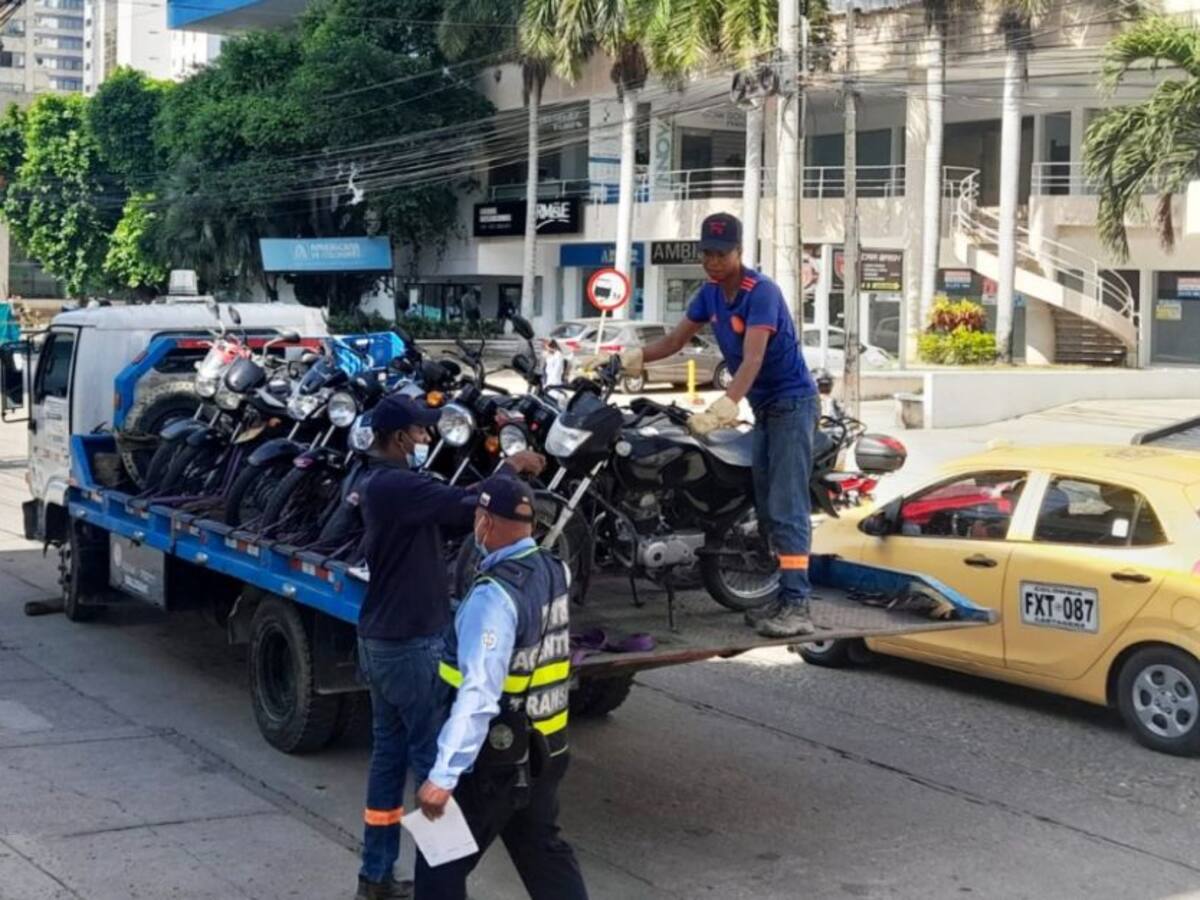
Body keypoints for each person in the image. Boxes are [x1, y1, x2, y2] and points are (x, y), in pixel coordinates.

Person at [585, 211, 818, 639]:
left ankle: (798, 605)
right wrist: (626, 359)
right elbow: (675, 341)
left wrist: (726, 404)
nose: (712, 262)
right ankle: (780, 596)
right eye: (706, 253)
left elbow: (753, 358)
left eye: (721, 253)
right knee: (766, 506)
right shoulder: (710, 293)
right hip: (766, 408)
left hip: (792, 405)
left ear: (739, 251)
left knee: (786, 508)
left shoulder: (760, 292)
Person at [353, 395, 545, 900]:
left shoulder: (378, 480)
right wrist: (509, 470)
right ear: (398, 439)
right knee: (433, 770)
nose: (425, 440)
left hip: (382, 639)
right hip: (411, 646)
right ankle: (438, 891)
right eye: (420, 433)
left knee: (389, 759)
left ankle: (375, 876)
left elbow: (453, 501)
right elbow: (471, 507)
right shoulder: (398, 485)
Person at [414, 475, 588, 900]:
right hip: (545, 749)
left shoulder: (493, 597)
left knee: (438, 859)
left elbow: (478, 693)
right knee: (544, 855)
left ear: (485, 522)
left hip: (494, 761)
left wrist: (444, 774)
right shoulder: (553, 569)